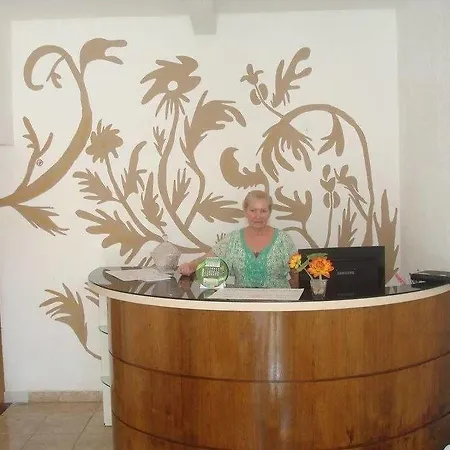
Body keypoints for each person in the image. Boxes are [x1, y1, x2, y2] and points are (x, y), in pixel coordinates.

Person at [178, 190, 298, 288]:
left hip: (278, 305)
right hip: (241, 305)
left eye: (263, 211)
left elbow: (296, 273)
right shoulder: (233, 239)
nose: (258, 216)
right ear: (245, 211)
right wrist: (191, 266)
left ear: (269, 212)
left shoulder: (284, 239)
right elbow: (210, 257)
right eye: (253, 210)